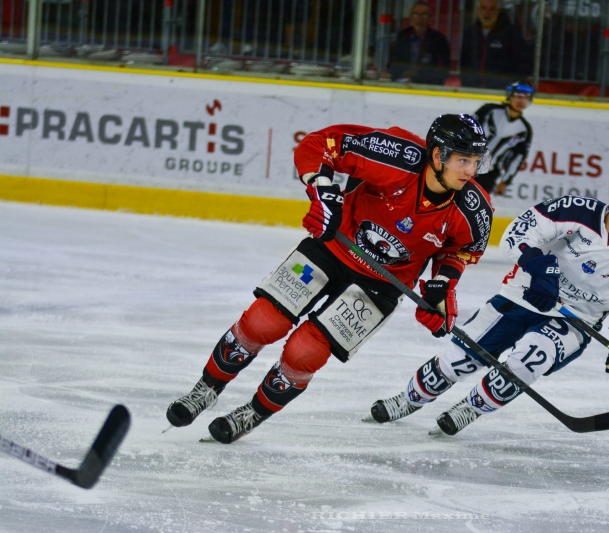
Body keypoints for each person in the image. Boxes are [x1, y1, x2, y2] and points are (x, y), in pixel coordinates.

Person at [165, 114, 494, 444]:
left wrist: (444, 283)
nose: (471, 171)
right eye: (463, 160)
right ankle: (205, 390)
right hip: (333, 246)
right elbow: (320, 145)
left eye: (476, 162)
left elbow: (460, 250)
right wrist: (323, 191)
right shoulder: (396, 155)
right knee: (263, 322)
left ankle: (252, 413)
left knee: (305, 353)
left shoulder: (475, 209)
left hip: (381, 283)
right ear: (437, 156)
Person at [371, 163, 609, 436]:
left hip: (575, 320)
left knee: (530, 358)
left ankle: (470, 409)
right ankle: (410, 399)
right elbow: (516, 233)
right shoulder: (573, 210)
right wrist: (538, 266)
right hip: (522, 297)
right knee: (459, 360)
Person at [473, 80, 535, 195]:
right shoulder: (489, 110)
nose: (521, 100)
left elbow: (517, 158)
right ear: (509, 96)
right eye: (517, 95)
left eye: (526, 97)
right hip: (465, 165)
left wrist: (505, 181)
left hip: (488, 175)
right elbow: (467, 131)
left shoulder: (524, 130)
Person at [460, 0, 533, 90]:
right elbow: (464, 63)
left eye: (492, 9)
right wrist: (467, 82)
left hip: (501, 91)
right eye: (484, 8)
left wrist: (509, 84)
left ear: (498, 11)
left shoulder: (511, 34)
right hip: (473, 90)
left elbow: (524, 64)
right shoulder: (470, 33)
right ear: (478, 10)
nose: (487, 13)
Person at [388, 1, 452, 85]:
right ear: (410, 18)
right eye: (416, 14)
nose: (420, 19)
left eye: (424, 15)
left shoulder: (438, 39)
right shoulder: (403, 36)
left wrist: (420, 76)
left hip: (428, 86)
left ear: (430, 19)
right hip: (402, 84)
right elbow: (394, 63)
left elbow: (445, 70)